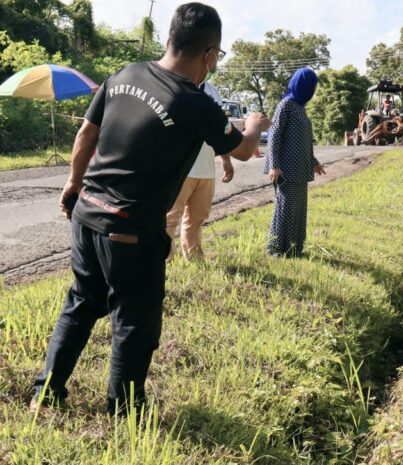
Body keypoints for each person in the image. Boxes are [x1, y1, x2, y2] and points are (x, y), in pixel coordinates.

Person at [31, 2, 270, 416]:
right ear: (210, 54)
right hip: (129, 229)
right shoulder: (195, 103)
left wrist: (73, 184)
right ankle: (125, 413)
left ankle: (44, 393)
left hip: (87, 212)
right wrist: (255, 122)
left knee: (82, 302)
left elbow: (87, 134)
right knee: (134, 322)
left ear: (169, 38)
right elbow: (246, 150)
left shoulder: (125, 74)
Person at [166, 81, 233, 260]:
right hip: (180, 168)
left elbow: (221, 128)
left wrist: (226, 159)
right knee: (170, 219)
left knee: (197, 219)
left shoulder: (212, 90)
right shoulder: (174, 84)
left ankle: (195, 258)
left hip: (206, 169)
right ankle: (165, 262)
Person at [263, 67, 325, 258]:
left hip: (300, 169)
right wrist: (274, 165)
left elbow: (304, 141)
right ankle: (276, 249)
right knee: (285, 207)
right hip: (285, 170)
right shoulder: (286, 105)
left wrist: (314, 162)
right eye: (310, 86)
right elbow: (274, 135)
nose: (312, 91)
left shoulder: (300, 108)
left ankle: (294, 249)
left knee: (298, 210)